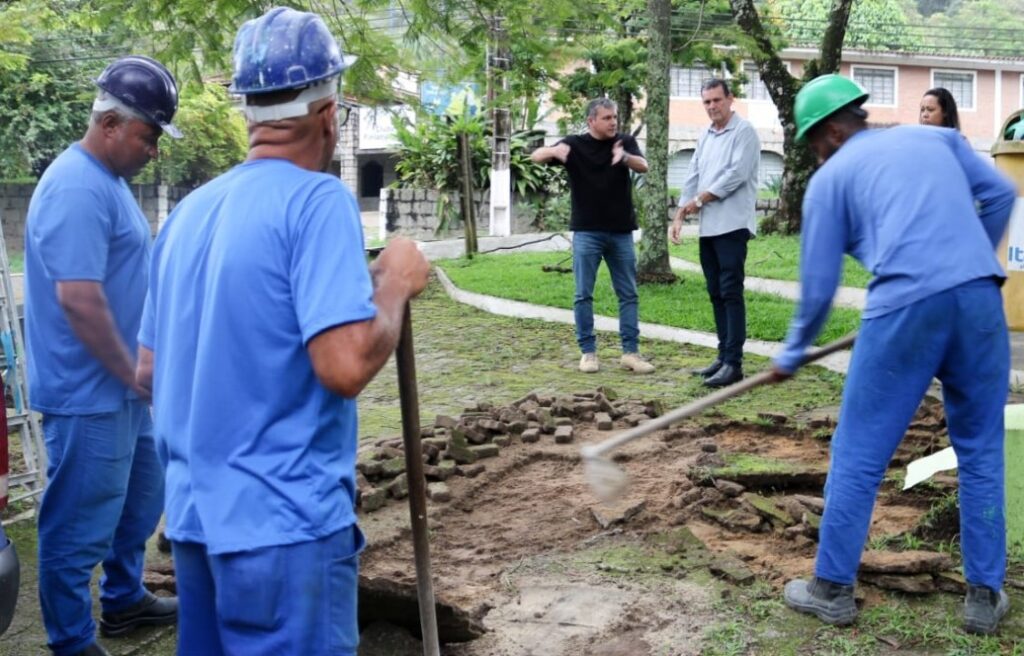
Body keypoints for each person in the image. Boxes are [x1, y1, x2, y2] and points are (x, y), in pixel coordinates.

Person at [135, 8, 430, 655]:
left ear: (249, 112)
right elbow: (345, 365)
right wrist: (395, 283)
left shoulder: (185, 217)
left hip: (194, 527)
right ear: (329, 113)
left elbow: (148, 372)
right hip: (285, 532)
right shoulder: (316, 201)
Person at [776, 74, 1014, 635]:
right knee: (979, 450)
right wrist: (966, 267)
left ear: (832, 133)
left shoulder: (831, 179)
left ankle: (831, 587)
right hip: (981, 301)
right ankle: (984, 596)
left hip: (904, 305)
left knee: (860, 451)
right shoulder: (939, 140)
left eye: (812, 142)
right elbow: (1003, 194)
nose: (814, 154)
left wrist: (791, 352)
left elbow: (816, 289)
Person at [24, 55, 181, 656]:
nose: (153, 150)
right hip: (89, 392)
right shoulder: (74, 186)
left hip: (124, 387)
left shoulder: (108, 181)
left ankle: (123, 600)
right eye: (148, 136)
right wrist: (133, 373)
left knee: (141, 501)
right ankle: (71, 641)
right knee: (76, 526)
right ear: (111, 123)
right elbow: (79, 300)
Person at [530, 98, 655, 374]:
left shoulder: (623, 142)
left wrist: (624, 157)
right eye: (607, 118)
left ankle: (630, 353)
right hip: (587, 232)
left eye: (615, 117)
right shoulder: (574, 145)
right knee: (583, 294)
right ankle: (588, 353)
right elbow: (535, 156)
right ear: (591, 121)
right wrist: (554, 150)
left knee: (628, 294)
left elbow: (643, 166)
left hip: (621, 231)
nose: (613, 122)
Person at [670, 79, 761, 388]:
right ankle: (722, 357)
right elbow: (693, 173)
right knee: (715, 292)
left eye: (717, 100)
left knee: (731, 292)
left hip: (733, 226)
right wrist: (681, 211)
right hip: (709, 228)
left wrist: (700, 200)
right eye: (707, 102)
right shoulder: (705, 135)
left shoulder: (745, 132)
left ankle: (734, 364)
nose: (712, 107)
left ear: (730, 99)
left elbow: (735, 175)